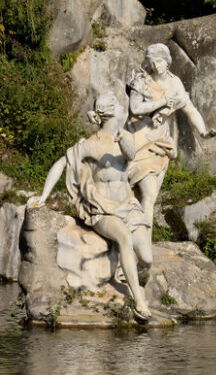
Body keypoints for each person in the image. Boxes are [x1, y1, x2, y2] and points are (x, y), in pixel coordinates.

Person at [27, 93, 153, 321]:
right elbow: (60, 164)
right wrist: (44, 196)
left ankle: (136, 281)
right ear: (112, 111)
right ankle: (139, 301)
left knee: (147, 258)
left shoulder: (125, 137)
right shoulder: (88, 145)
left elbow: (131, 153)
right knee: (125, 238)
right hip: (103, 207)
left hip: (128, 206)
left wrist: (121, 137)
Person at [127, 43, 216, 239]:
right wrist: (161, 102)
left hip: (160, 144)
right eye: (152, 62)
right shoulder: (141, 81)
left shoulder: (174, 83)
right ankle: (140, 240)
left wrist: (202, 132)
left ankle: (140, 238)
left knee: (149, 196)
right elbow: (134, 108)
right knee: (144, 194)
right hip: (138, 139)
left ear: (167, 61)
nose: (156, 66)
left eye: (159, 61)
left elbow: (190, 108)